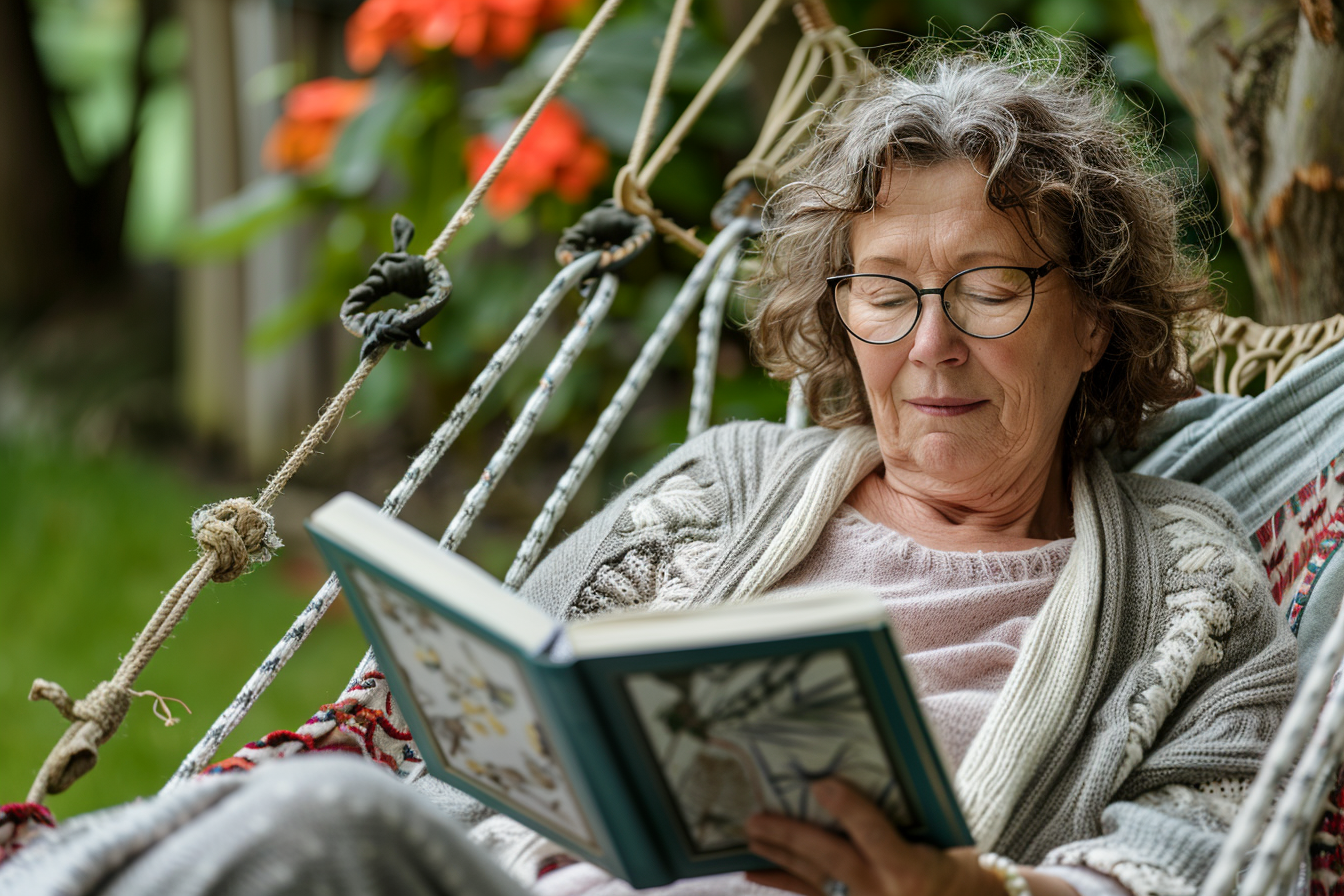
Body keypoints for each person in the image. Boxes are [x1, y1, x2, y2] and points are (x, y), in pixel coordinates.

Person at [0, 32, 1295, 896]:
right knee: (311, 815)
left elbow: (1213, 865)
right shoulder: (725, 482)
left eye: (991, 288)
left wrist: (978, 891)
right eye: (886, 291)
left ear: (1096, 319)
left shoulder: (1185, 585)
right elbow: (488, 723)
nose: (931, 343)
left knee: (318, 825)